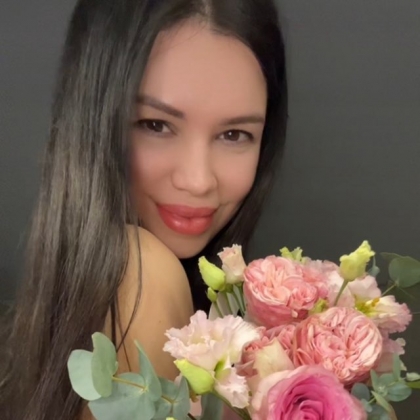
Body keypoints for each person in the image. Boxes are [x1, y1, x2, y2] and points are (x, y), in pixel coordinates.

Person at [0, 0, 287, 419]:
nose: (198, 180)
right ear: (95, 121)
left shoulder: (76, 300)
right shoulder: (143, 275)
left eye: (234, 134)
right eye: (156, 125)